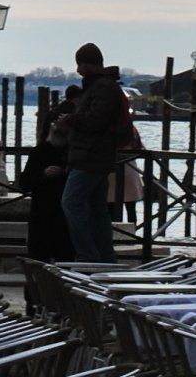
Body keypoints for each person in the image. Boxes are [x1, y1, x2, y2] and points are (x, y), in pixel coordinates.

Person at [60, 44, 136, 265]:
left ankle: (87, 255)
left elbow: (95, 121)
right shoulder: (102, 86)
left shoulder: (102, 87)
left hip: (91, 156)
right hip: (95, 156)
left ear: (87, 64)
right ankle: (104, 257)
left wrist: (70, 120)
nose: (77, 70)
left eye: (80, 64)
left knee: (71, 201)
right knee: (96, 209)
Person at [18, 94, 76, 261]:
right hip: (42, 214)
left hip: (64, 218)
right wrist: (43, 174)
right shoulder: (40, 152)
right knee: (39, 258)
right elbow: (24, 183)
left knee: (65, 258)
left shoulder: (74, 153)